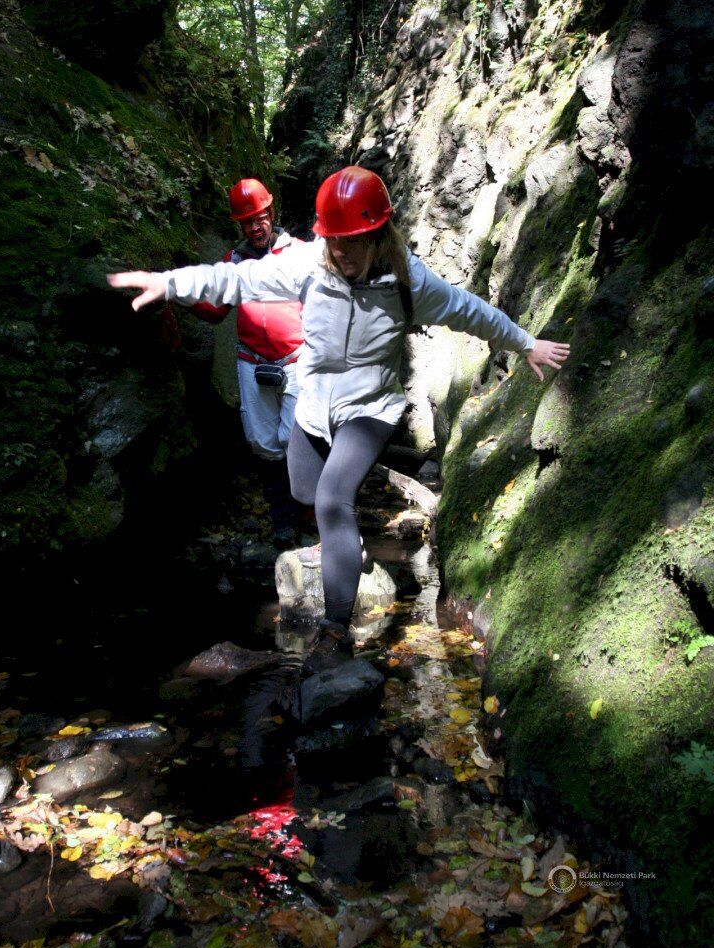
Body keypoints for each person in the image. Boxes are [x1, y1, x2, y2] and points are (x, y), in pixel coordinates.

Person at [107, 166, 570, 673]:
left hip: (370, 408)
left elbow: (469, 311)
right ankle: (342, 543)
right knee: (304, 489)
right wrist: (168, 283)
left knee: (331, 499)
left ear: (378, 235)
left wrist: (526, 343)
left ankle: (334, 631)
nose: (342, 253)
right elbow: (237, 279)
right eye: (334, 240)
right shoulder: (310, 264)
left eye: (353, 242)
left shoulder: (410, 283)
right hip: (313, 404)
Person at [192, 178, 305, 549]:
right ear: (239, 225)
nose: (255, 227)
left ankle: (310, 512)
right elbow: (213, 309)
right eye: (247, 222)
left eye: (260, 218)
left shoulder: (300, 253)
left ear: (271, 213)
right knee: (262, 441)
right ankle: (284, 522)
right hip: (251, 361)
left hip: (297, 359)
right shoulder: (234, 262)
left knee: (297, 437)